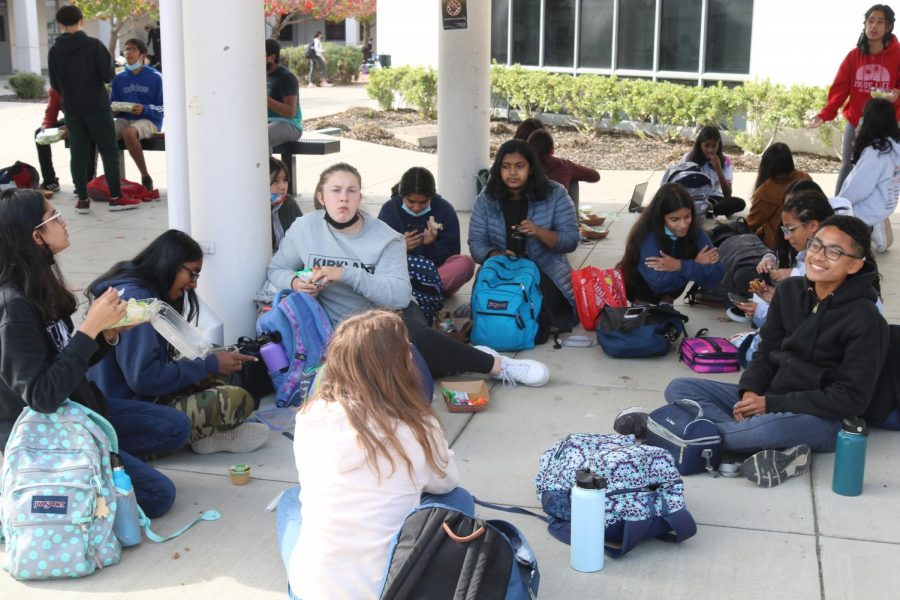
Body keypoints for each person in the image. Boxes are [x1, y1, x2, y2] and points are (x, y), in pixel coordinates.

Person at [644, 216, 888, 488]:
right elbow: (766, 350)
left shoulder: (866, 320)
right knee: (680, 388)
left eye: (834, 252)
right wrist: (750, 392)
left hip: (822, 418)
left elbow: (851, 398)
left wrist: (771, 406)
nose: (818, 257)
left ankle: (673, 430)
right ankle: (759, 444)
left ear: (855, 264)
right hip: (770, 396)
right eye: (816, 246)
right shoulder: (790, 290)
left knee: (767, 428)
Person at [267, 162, 550, 387]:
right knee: (390, 374)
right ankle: (463, 357)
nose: (343, 198)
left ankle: (498, 365)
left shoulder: (385, 237)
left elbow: (400, 296)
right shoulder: (304, 228)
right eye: (336, 190)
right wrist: (296, 282)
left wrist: (348, 274)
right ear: (321, 196)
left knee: (414, 342)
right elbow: (276, 269)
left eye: (351, 190)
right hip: (333, 327)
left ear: (360, 197)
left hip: (387, 316)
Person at [0, 188, 189, 517]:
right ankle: (66, 477)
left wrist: (106, 334)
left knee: (175, 427)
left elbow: (66, 358)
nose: (64, 222)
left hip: (78, 410)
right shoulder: (13, 308)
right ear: (37, 236)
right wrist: (89, 329)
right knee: (160, 496)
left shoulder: (39, 284)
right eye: (54, 218)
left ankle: (101, 459)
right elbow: (42, 396)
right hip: (46, 434)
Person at [276, 310, 474, 599]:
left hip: (311, 591)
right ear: (401, 365)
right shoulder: (418, 426)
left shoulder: (310, 416)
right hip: (397, 588)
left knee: (292, 499)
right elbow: (447, 483)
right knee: (459, 499)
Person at [88, 230, 268, 455]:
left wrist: (200, 371)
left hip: (131, 397)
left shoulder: (136, 288)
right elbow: (143, 379)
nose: (193, 284)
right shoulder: (138, 303)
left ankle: (208, 434)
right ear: (169, 264)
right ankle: (202, 435)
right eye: (192, 273)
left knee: (216, 358)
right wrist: (207, 366)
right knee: (237, 399)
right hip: (127, 412)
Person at [469, 139, 579, 341]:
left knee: (535, 308)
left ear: (531, 168)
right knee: (495, 307)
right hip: (501, 271)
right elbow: (476, 243)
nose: (512, 173)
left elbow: (571, 240)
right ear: (498, 169)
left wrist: (538, 231)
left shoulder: (555, 194)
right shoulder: (487, 199)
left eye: (519, 166)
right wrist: (497, 256)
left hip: (545, 270)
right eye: (506, 167)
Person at [47, 5, 130, 214]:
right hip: (97, 106)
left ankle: (82, 200)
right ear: (81, 20)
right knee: (109, 151)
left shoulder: (55, 51)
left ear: (59, 24)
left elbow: (55, 84)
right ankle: (115, 196)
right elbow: (107, 76)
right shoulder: (93, 45)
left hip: (73, 109)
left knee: (78, 153)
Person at [810, 4, 900, 194]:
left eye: (880, 22)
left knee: (882, 169)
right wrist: (825, 114)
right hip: (856, 121)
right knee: (847, 166)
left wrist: (897, 94)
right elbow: (840, 89)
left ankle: (873, 217)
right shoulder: (854, 56)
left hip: (885, 123)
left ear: (889, 26)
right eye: (870, 21)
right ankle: (838, 210)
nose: (873, 26)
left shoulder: (898, 56)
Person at [732, 190, 835, 326]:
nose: (786, 237)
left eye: (791, 229)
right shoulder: (805, 255)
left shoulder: (827, 264)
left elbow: (811, 321)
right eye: (784, 230)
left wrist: (764, 310)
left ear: (813, 226)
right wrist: (777, 298)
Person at [618, 183, 724, 305]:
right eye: (675, 219)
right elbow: (659, 283)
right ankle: (641, 306)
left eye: (687, 216)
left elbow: (717, 275)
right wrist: (694, 266)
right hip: (639, 291)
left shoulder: (695, 232)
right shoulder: (647, 235)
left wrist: (680, 265)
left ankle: (666, 302)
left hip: (670, 290)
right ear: (661, 217)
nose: (683, 224)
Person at [377, 166, 475, 296]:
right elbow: (376, 252)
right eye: (410, 201)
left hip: (435, 272)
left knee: (465, 263)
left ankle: (418, 291)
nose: (416, 207)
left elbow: (452, 254)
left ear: (431, 196)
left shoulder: (444, 209)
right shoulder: (390, 209)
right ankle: (425, 292)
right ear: (402, 196)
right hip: (401, 273)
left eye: (423, 202)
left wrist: (431, 246)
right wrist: (399, 247)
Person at [837, 97, 900, 230]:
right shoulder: (894, 146)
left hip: (865, 214)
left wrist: (838, 203)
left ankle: (872, 230)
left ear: (870, 121)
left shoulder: (876, 153)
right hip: (885, 206)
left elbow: (858, 189)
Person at [110, 38, 163, 192]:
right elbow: (112, 104)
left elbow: (165, 108)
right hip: (125, 118)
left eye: (132, 49)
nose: (127, 53)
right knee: (104, 132)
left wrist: (144, 109)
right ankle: (111, 179)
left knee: (129, 132)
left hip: (149, 120)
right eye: (125, 49)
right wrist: (115, 109)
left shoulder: (155, 77)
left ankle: (145, 176)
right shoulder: (119, 79)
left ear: (142, 54)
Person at [746, 143, 811, 250]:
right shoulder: (804, 177)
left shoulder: (765, 192)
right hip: (808, 243)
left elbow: (751, 225)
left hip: (777, 248)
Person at [34, 87, 96, 193]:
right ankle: (50, 181)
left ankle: (86, 180)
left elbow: (89, 112)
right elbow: (51, 112)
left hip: (90, 121)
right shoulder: (55, 90)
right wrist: (46, 126)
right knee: (39, 133)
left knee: (85, 134)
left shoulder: (84, 85)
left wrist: (71, 127)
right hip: (69, 121)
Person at [681, 125, 746, 217]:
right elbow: (680, 185)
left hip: (715, 199)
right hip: (694, 198)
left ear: (719, 145)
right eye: (706, 145)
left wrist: (718, 169)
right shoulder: (688, 158)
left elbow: (728, 194)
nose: (710, 150)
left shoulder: (725, 161)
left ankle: (705, 211)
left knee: (739, 203)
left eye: (714, 145)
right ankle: (705, 211)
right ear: (700, 145)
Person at [526, 129, 600, 193]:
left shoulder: (523, 167)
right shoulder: (564, 166)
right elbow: (595, 176)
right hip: (560, 208)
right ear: (552, 150)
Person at [266, 38, 303, 153]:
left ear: (271, 58)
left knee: (261, 136)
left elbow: (291, 112)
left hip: (289, 124)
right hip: (268, 122)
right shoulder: (259, 75)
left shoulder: (286, 77)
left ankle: (268, 170)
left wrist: (265, 99)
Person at [270, 157, 303, 252]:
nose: (283, 186)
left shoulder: (288, 201)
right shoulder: (253, 207)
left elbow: (302, 233)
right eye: (276, 181)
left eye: (285, 180)